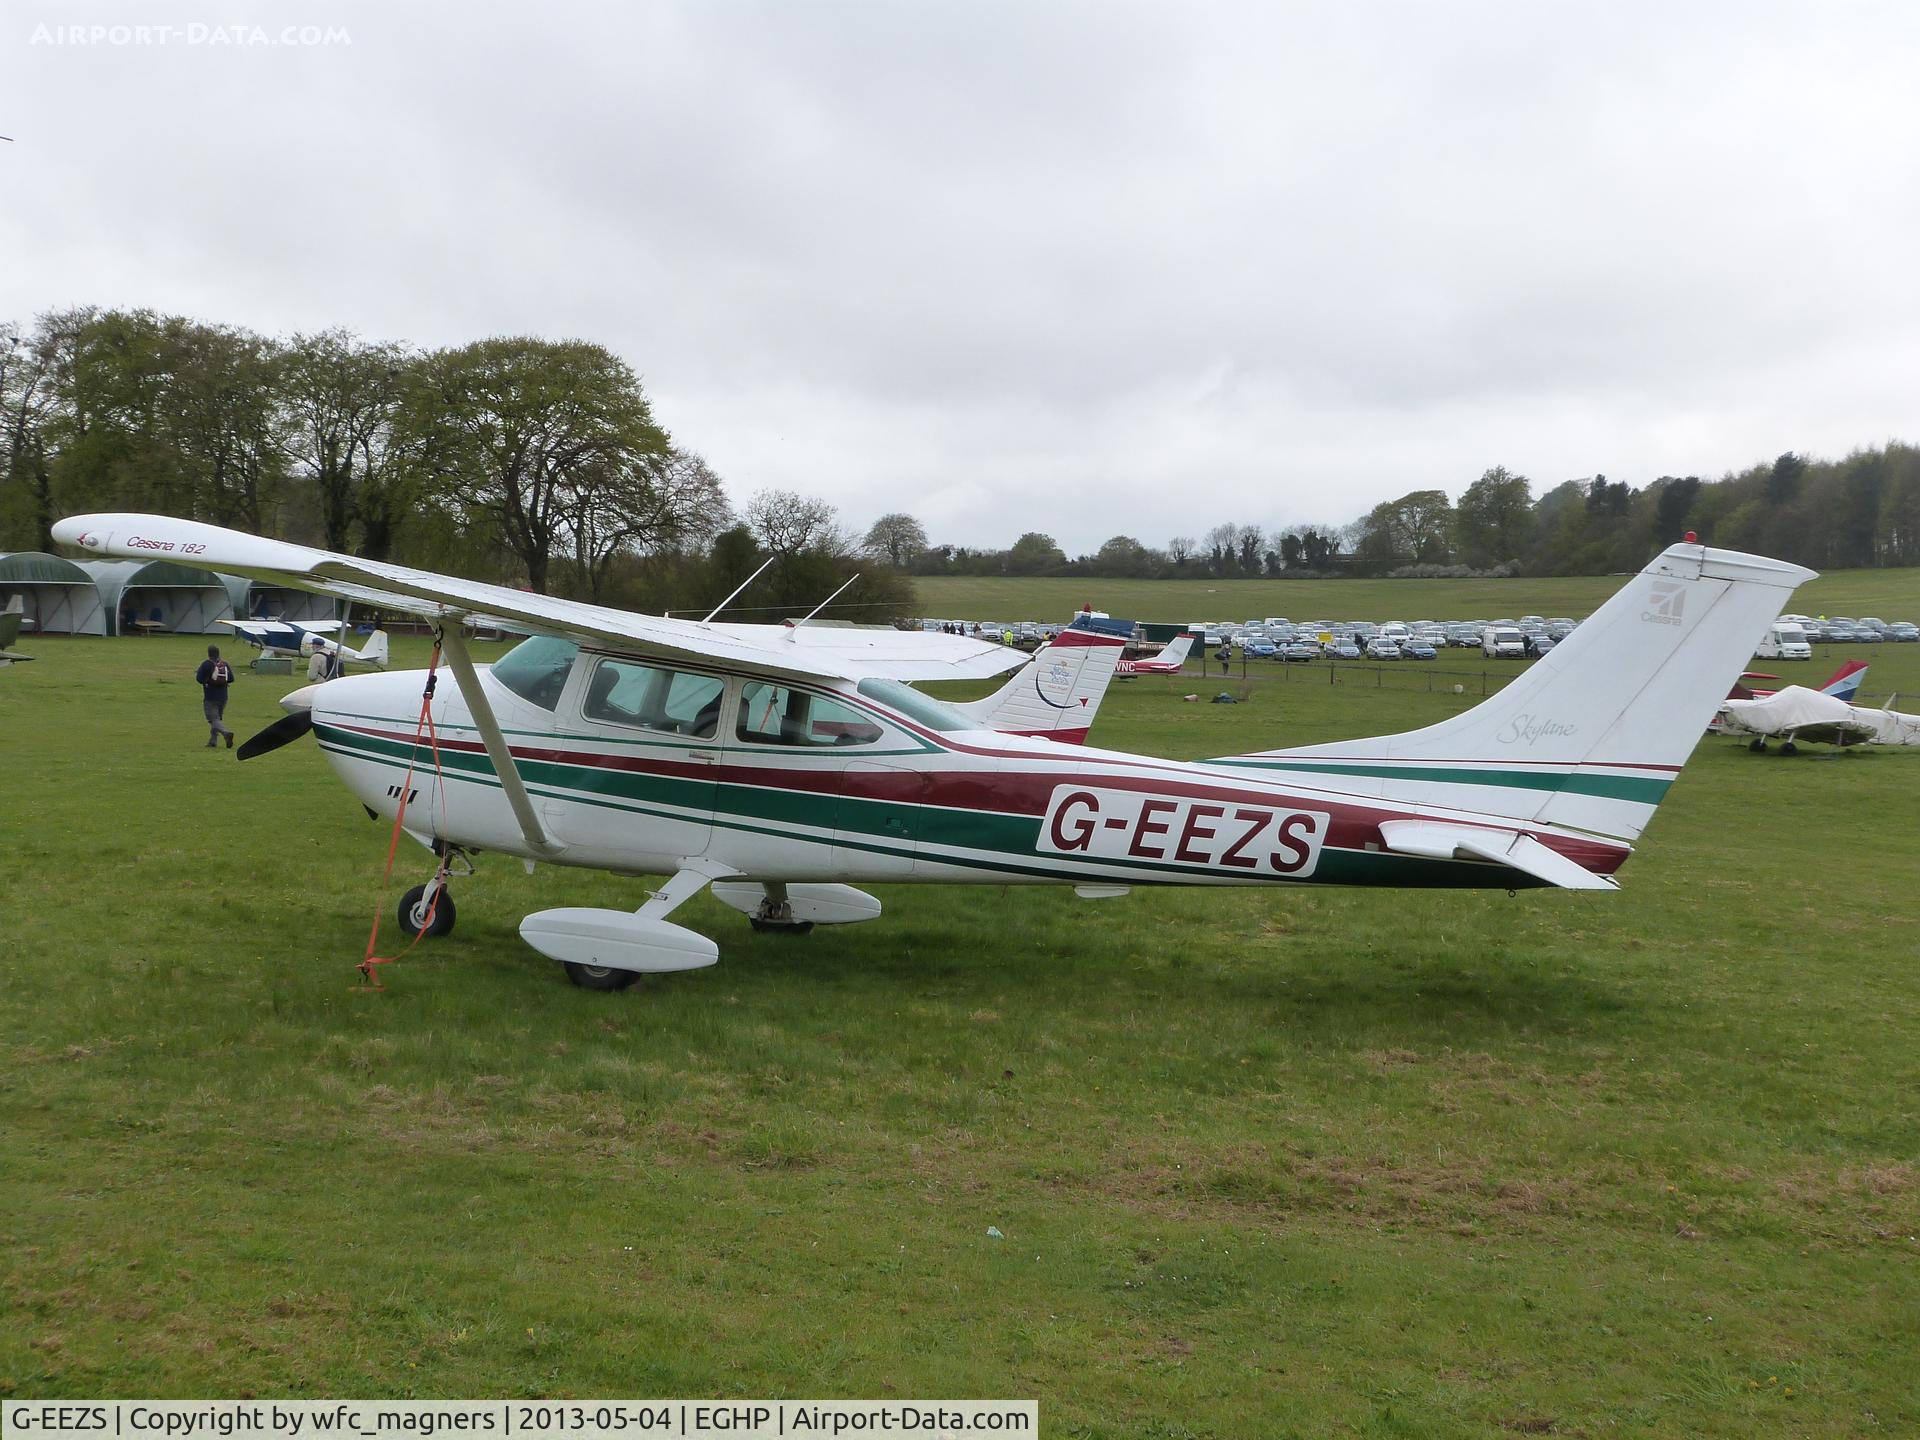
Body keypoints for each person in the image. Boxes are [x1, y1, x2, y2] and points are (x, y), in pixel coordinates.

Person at [196, 644, 235, 748]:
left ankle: (226, 733)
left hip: (210, 696)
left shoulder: (206, 664)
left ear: (209, 654)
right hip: (223, 697)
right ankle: (213, 741)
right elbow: (231, 678)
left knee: (213, 720)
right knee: (217, 719)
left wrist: (207, 681)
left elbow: (199, 678)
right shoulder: (224, 664)